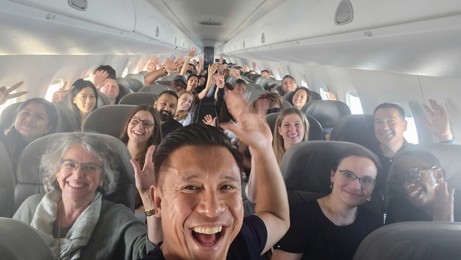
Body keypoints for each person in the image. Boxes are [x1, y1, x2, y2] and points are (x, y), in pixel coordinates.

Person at [139, 91, 290, 259]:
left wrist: (263, 149)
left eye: (226, 187)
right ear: (158, 202)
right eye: (191, 187)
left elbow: (276, 216)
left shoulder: (239, 244)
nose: (213, 209)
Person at [13, 132, 159, 260]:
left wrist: (149, 199)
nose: (77, 175)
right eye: (70, 164)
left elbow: (151, 254)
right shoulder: (30, 207)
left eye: (89, 167)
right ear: (57, 172)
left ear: (102, 177)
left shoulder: (118, 217)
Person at [272, 147, 382, 260]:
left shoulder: (375, 224)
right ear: (332, 175)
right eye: (347, 174)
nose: (355, 186)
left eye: (366, 180)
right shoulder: (300, 217)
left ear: (373, 186)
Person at [373, 101, 454, 193]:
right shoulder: (368, 157)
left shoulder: (420, 154)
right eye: (379, 122)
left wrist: (445, 136)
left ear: (404, 126)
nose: (384, 127)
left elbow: (450, 168)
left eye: (391, 121)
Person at [386, 149, 459, 223]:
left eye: (412, 174)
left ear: (438, 174)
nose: (405, 186)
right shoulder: (398, 209)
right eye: (399, 179)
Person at [121, 105, 162, 210]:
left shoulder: (157, 163)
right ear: (128, 124)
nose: (139, 127)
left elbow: (153, 210)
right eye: (134, 121)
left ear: (154, 131)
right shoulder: (111, 150)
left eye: (147, 124)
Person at [1, 98, 58, 172]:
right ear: (16, 118)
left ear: (48, 128)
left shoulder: (52, 155)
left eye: (39, 117)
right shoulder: (2, 142)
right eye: (26, 113)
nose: (29, 119)